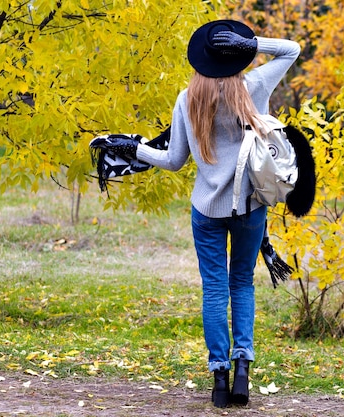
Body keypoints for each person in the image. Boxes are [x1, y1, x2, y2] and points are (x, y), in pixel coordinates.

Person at [102, 19, 301, 408]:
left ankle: (219, 379)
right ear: (237, 55)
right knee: (241, 283)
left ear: (201, 60)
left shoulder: (186, 98)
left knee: (215, 289)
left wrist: (134, 147)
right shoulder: (254, 87)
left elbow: (174, 160)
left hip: (206, 211)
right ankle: (243, 369)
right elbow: (291, 49)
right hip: (249, 207)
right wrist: (250, 42)